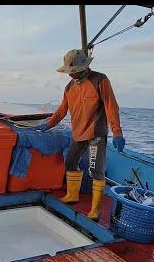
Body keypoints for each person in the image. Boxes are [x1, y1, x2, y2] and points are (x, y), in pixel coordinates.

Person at [34, 49, 126, 221]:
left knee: (95, 170)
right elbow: (62, 110)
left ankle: (96, 209)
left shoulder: (100, 80)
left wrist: (117, 133)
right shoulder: (69, 87)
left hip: (96, 133)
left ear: (84, 67)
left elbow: (111, 107)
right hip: (78, 133)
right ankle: (72, 195)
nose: (71, 75)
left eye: (74, 71)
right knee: (70, 163)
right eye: (70, 72)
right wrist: (48, 124)